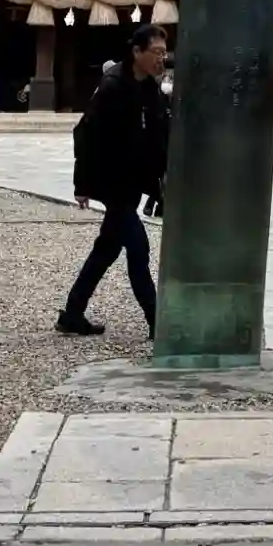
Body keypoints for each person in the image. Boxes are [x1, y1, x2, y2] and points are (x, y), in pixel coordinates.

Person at [58, 24, 171, 337]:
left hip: (133, 182)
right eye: (156, 52)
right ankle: (157, 321)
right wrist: (82, 185)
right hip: (112, 182)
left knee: (106, 249)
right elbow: (86, 134)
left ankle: (72, 314)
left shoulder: (150, 87)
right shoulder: (112, 85)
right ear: (137, 51)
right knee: (138, 249)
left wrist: (162, 177)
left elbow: (159, 133)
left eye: (164, 53)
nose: (161, 59)